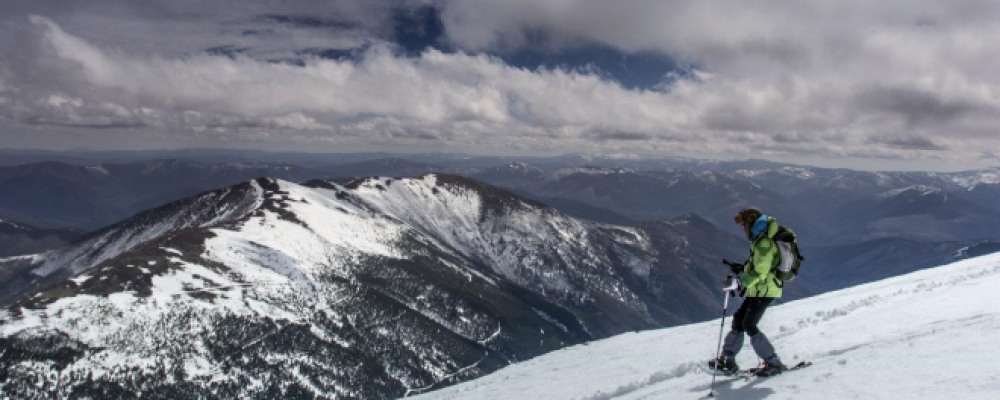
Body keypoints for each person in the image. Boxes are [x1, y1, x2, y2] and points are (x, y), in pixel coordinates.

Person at [709, 206, 787, 377]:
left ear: (752, 222)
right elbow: (760, 266)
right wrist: (743, 267)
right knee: (739, 319)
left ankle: (773, 362)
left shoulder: (764, 243)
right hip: (759, 288)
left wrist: (739, 283)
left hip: (766, 290)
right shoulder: (760, 239)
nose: (743, 229)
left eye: (744, 225)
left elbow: (762, 272)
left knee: (749, 324)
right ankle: (728, 360)